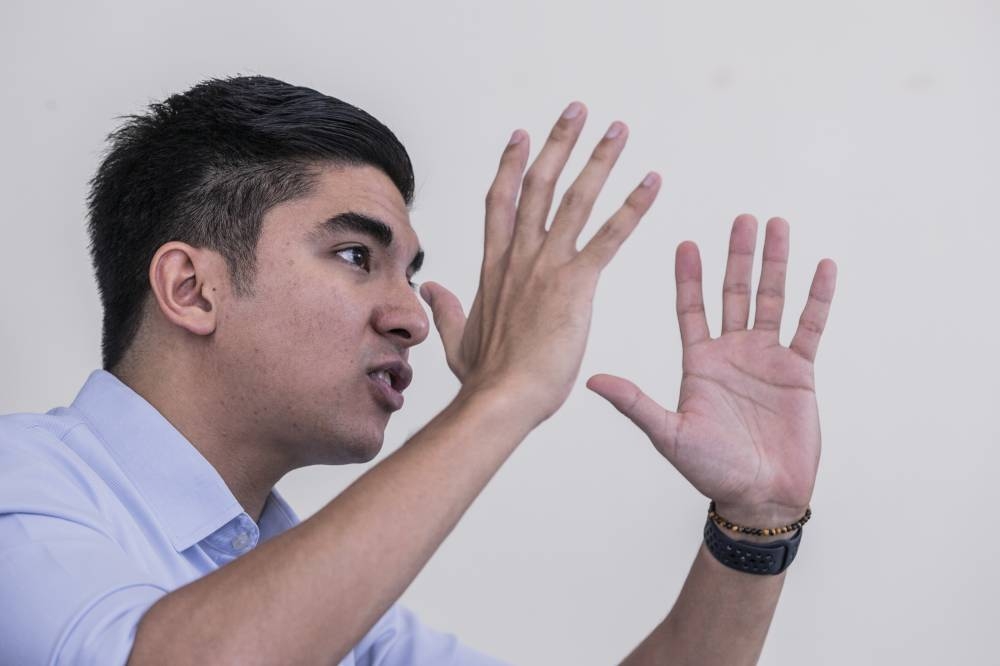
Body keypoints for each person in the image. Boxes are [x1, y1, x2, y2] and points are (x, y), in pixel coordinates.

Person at [0, 75, 836, 665]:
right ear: (192, 288)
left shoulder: (315, 594)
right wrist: (503, 398)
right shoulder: (24, 483)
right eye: (356, 254)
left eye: (408, 269)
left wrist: (752, 527)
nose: (410, 316)